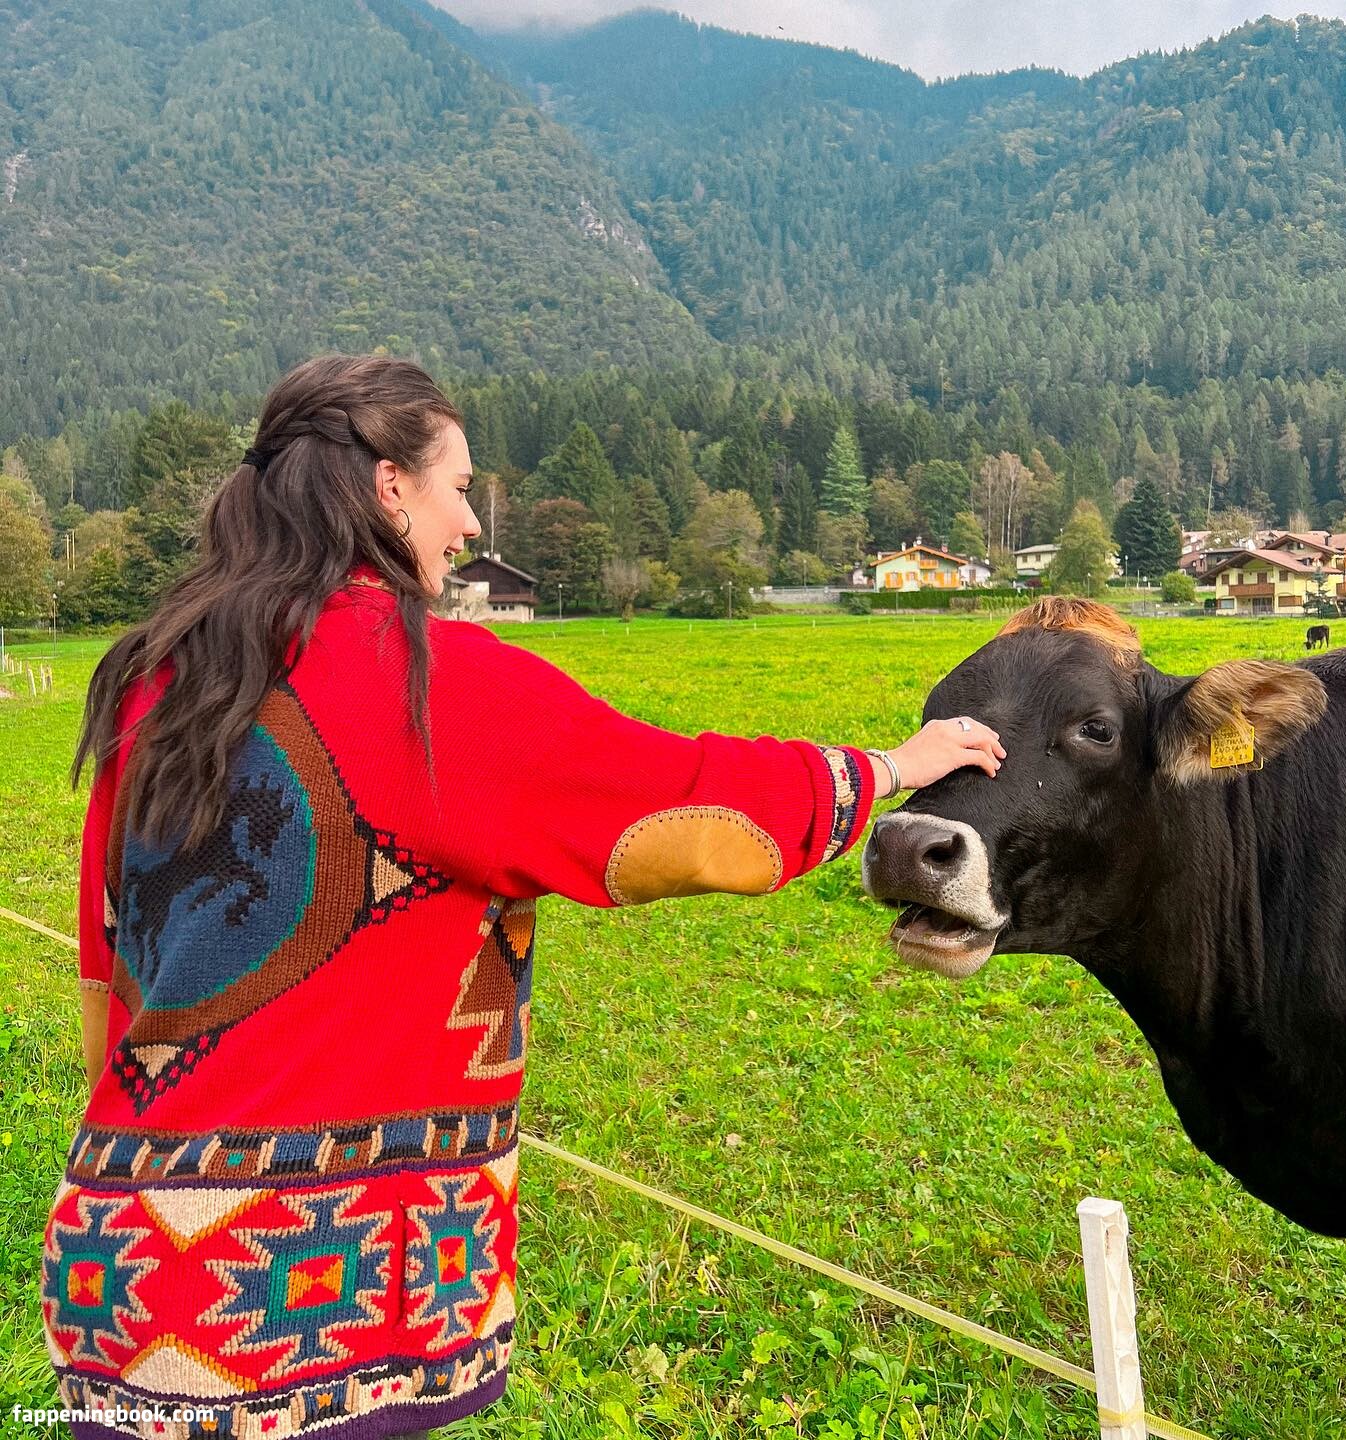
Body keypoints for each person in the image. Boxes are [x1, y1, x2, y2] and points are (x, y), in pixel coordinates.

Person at [46, 354, 1005, 1440]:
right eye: (459, 488)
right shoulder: (428, 680)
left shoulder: (157, 677)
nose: (467, 525)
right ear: (389, 487)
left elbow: (107, 964)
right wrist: (888, 769)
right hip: (297, 1302)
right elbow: (679, 805)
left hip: (117, 1268)